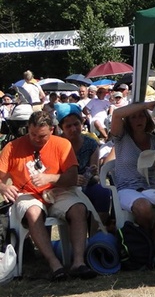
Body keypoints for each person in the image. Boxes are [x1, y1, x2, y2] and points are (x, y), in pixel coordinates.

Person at [0, 110, 97, 280]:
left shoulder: (62, 144)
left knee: (78, 209)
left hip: (58, 191)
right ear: (28, 128)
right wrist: (3, 187)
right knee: (33, 212)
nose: (36, 139)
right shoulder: (12, 147)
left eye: (42, 136)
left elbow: (73, 177)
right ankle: (55, 265)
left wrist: (50, 178)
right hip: (27, 193)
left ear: (51, 130)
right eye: (32, 134)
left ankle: (78, 263)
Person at [109, 101, 155, 246]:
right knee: (143, 206)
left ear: (147, 119)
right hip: (127, 188)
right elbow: (116, 114)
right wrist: (145, 105)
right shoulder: (121, 138)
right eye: (133, 117)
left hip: (151, 187)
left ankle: (150, 245)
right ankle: (149, 245)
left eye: (142, 116)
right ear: (128, 121)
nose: (138, 120)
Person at [55, 103, 111, 227]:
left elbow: (95, 177)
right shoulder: (56, 144)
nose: (73, 129)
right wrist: (71, 179)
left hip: (86, 185)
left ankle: (96, 234)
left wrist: (91, 173)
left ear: (82, 123)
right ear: (61, 127)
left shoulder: (90, 144)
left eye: (76, 124)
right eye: (68, 126)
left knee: (103, 192)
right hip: (63, 188)